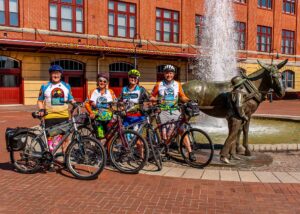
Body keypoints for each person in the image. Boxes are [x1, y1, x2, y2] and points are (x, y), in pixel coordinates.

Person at [150, 64, 196, 162]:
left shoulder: (177, 84)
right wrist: (157, 100)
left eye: (171, 73)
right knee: (165, 134)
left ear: (174, 74)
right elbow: (152, 97)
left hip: (175, 111)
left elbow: (182, 96)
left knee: (181, 130)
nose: (169, 75)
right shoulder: (159, 84)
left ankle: (190, 152)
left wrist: (189, 101)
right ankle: (166, 152)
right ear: (164, 74)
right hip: (163, 112)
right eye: (167, 73)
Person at [37, 64, 75, 169]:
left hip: (64, 116)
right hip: (50, 117)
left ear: (61, 75)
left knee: (65, 140)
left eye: (58, 73)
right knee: (51, 140)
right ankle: (51, 161)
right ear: (50, 74)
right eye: (53, 73)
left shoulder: (66, 86)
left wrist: (75, 103)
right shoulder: (45, 86)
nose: (56, 75)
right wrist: (41, 109)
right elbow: (40, 101)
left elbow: (71, 98)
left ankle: (66, 161)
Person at [220, 76, 248, 164]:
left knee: (234, 135)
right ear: (239, 84)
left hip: (230, 116)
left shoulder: (231, 93)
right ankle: (223, 155)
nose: (243, 84)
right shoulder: (238, 93)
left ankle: (232, 153)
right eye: (242, 83)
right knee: (232, 136)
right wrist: (243, 116)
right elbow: (238, 106)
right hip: (236, 117)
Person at [85, 73, 116, 138]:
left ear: (107, 83)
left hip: (108, 119)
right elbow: (86, 103)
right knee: (100, 136)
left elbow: (115, 103)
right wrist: (91, 112)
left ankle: (108, 148)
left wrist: (115, 110)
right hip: (97, 119)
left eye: (104, 81)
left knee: (109, 137)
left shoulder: (111, 92)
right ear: (97, 81)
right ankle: (99, 148)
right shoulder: (92, 91)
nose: (102, 83)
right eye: (100, 81)